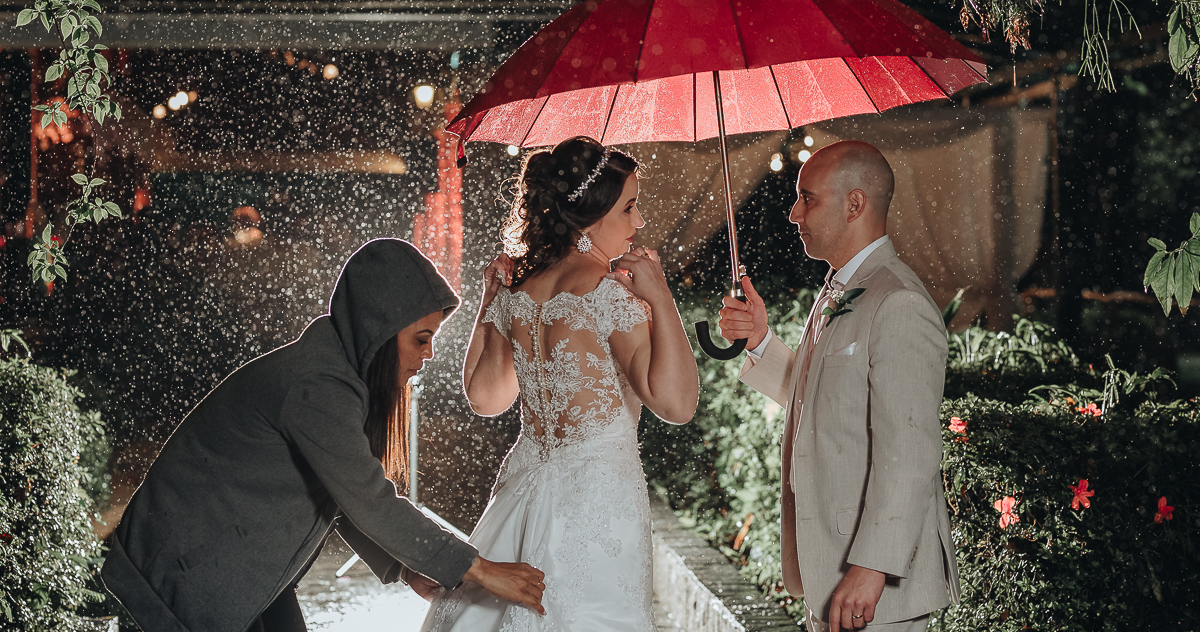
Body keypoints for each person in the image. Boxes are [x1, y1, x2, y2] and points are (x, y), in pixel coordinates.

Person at [102, 238, 546, 632]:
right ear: (380, 333)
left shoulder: (334, 375)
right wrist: (480, 569)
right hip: (182, 575)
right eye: (421, 339)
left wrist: (406, 569)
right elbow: (368, 498)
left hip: (235, 571)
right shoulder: (318, 388)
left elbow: (340, 497)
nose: (429, 354)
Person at [422, 136, 699, 632]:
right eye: (629, 208)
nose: (639, 222)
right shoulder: (608, 293)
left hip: (525, 484)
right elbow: (676, 404)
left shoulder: (520, 292)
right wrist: (661, 297)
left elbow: (486, 399)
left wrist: (490, 303)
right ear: (591, 220)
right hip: (598, 497)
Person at [718, 141, 960, 632]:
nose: (793, 213)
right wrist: (760, 342)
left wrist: (872, 566)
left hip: (876, 586)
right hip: (829, 564)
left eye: (808, 198)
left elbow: (910, 449)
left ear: (855, 204)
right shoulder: (840, 286)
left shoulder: (899, 303)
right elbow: (828, 402)